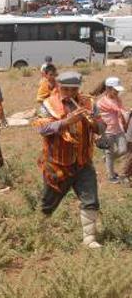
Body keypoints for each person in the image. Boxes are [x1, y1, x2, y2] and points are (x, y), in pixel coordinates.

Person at [33, 71, 105, 249]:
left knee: (90, 199)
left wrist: (92, 123)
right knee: (48, 203)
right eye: (65, 89)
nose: (70, 93)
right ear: (59, 86)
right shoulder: (48, 104)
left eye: (73, 90)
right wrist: (67, 121)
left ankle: (89, 239)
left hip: (83, 162)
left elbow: (101, 127)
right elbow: (42, 129)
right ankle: (37, 235)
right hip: (57, 164)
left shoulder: (88, 102)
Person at [95, 77, 127, 183]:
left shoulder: (118, 99)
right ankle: (111, 176)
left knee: (123, 149)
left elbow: (121, 110)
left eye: (118, 90)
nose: (117, 92)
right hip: (107, 131)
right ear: (108, 89)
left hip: (118, 129)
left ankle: (109, 158)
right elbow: (97, 117)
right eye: (115, 90)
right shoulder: (101, 102)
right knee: (109, 152)